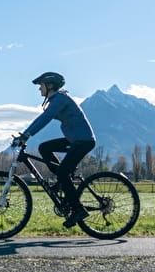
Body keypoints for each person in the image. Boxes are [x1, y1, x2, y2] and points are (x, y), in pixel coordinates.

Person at [13, 72, 96, 228]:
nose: (39, 89)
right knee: (44, 148)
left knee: (63, 172)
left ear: (50, 85)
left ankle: (78, 210)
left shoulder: (60, 99)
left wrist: (26, 135)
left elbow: (45, 118)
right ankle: (61, 182)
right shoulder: (56, 99)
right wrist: (25, 135)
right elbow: (42, 117)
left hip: (83, 141)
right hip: (76, 139)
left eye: (41, 86)